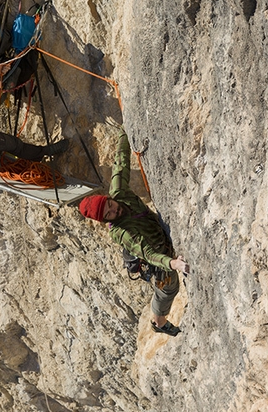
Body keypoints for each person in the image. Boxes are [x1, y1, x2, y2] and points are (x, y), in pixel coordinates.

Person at [79, 126, 189, 336]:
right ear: (106, 221)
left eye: (110, 204)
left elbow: (120, 164)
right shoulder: (123, 233)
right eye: (109, 213)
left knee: (168, 284)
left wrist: (124, 131)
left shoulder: (119, 192)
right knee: (168, 288)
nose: (114, 208)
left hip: (157, 234)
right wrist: (173, 263)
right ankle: (158, 322)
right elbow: (150, 254)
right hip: (157, 254)